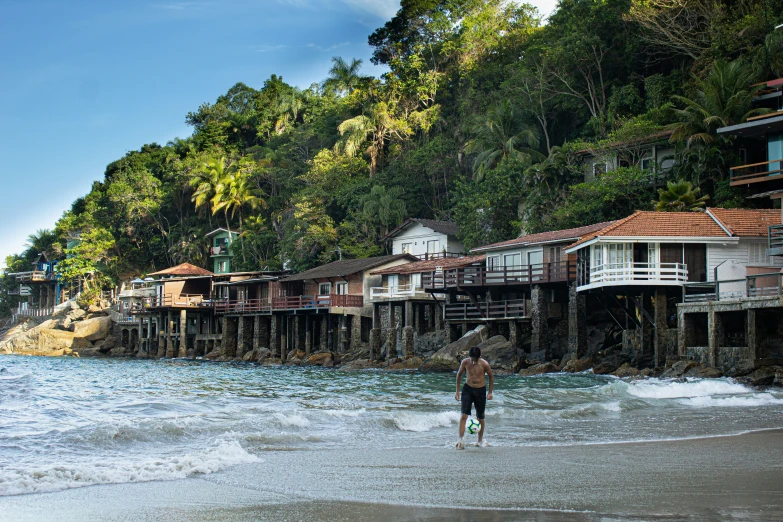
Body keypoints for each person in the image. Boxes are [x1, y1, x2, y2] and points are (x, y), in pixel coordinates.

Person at [454, 346, 493, 449]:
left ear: (479, 357)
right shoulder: (465, 362)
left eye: (475, 359)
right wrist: (457, 391)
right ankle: (460, 440)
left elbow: (491, 376)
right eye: (471, 359)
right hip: (468, 390)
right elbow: (459, 375)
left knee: (480, 417)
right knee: (464, 415)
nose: (473, 361)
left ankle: (479, 440)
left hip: (480, 390)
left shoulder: (484, 364)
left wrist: (490, 392)